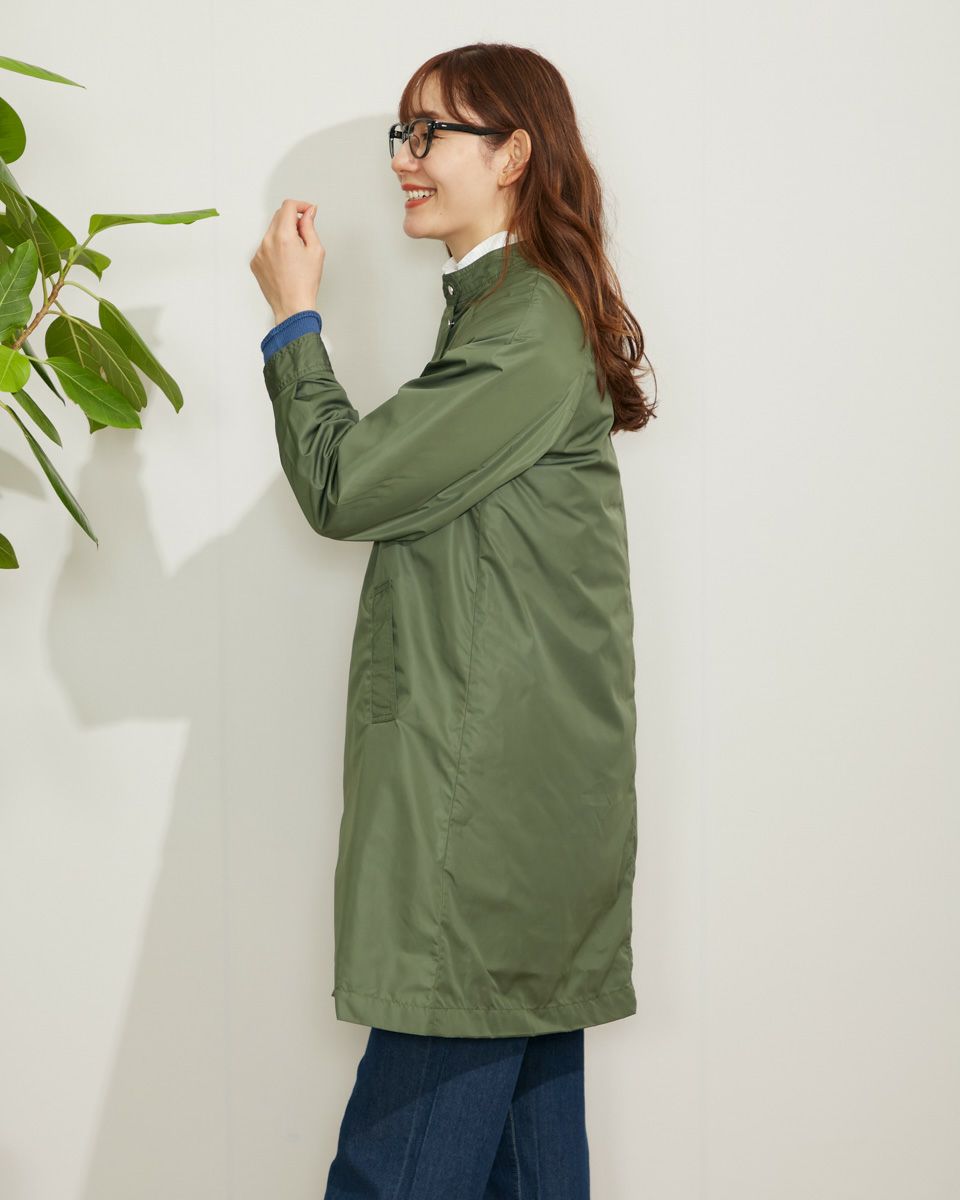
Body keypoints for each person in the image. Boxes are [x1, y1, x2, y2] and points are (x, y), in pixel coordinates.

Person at [250, 40, 656, 1200]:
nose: (405, 157)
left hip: (484, 835)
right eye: (403, 131)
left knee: (396, 1175)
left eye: (433, 132)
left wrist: (293, 323)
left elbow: (343, 487)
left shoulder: (522, 327)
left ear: (514, 153)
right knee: (529, 1177)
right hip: (521, 828)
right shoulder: (506, 312)